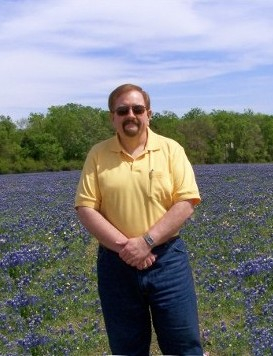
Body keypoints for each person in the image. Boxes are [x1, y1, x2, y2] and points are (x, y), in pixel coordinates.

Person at [74, 84, 204, 355]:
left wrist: (146, 242)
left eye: (137, 109)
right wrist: (127, 248)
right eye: (122, 110)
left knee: (183, 344)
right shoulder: (98, 154)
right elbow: (86, 208)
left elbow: (186, 202)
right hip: (116, 263)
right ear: (113, 117)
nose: (130, 115)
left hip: (167, 260)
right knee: (126, 348)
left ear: (149, 113)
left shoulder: (171, 149)